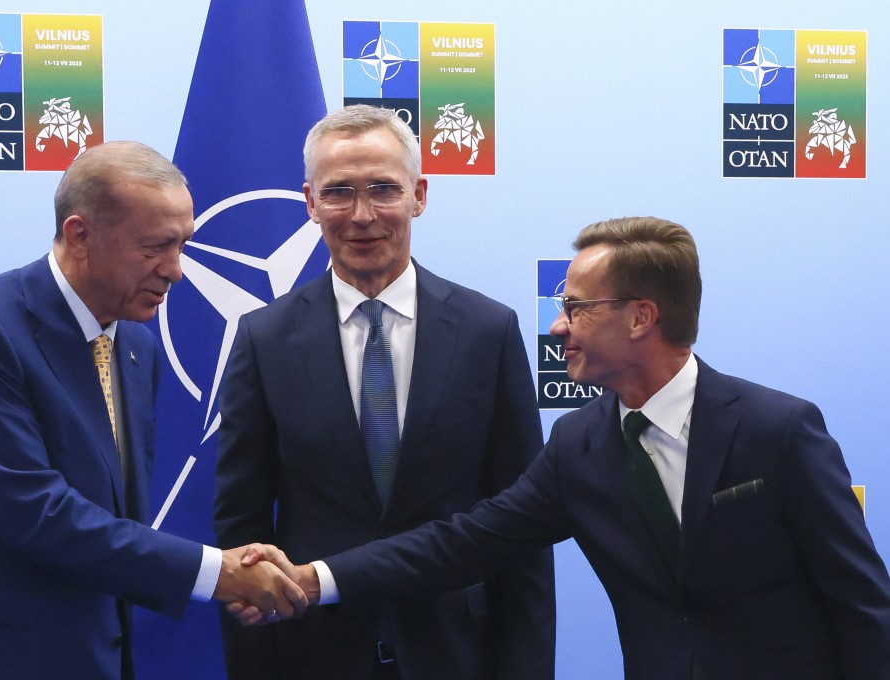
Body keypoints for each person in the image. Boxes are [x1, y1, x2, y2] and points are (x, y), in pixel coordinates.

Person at [243, 216, 890, 679]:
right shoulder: (579, 445)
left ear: (640, 317)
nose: (557, 328)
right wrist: (314, 578)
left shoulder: (779, 430)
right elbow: (462, 544)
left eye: (576, 309)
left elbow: (861, 603)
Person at [0, 141, 306, 680]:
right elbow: (32, 509)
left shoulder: (136, 347)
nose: (177, 271)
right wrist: (216, 572)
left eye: (182, 246)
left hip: (87, 649)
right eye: (155, 247)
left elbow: (116, 515)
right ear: (79, 235)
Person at [213, 105, 556, 679]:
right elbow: (243, 532)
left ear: (419, 195)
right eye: (339, 192)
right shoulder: (264, 339)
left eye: (383, 189)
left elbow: (521, 528)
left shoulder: (487, 332)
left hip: (457, 654)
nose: (362, 215)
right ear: (310, 202)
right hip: (313, 655)